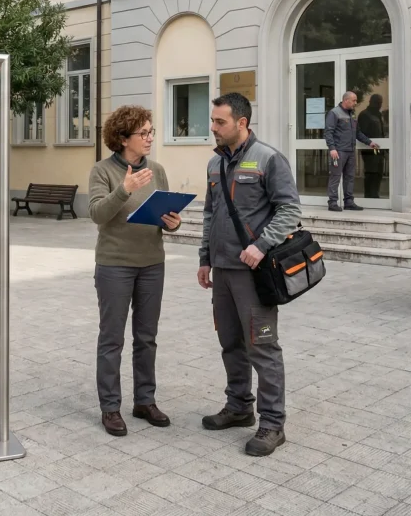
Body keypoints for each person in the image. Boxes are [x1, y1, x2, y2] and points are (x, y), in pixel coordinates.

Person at [197, 92, 301, 457]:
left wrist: (262, 244)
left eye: (219, 122)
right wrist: (205, 258)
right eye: (212, 121)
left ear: (241, 123)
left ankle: (272, 424)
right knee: (230, 343)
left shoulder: (269, 159)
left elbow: (289, 210)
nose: (213, 127)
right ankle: (239, 406)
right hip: (222, 272)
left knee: (263, 346)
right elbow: (210, 215)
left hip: (254, 273)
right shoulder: (214, 165)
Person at [88, 105, 182, 437]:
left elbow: (166, 211)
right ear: (123, 137)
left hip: (152, 262)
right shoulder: (103, 170)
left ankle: (145, 401)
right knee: (112, 339)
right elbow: (98, 213)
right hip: (115, 265)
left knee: (146, 337)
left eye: (151, 131)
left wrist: (174, 222)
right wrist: (124, 189)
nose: (150, 138)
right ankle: (110, 408)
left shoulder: (156, 169)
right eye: (144, 133)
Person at [324, 91, 379, 211]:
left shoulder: (352, 115)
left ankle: (348, 202)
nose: (355, 103)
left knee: (349, 177)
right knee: (335, 176)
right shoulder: (334, 113)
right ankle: (332, 203)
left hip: (350, 151)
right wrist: (332, 148)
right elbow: (328, 132)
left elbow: (357, 133)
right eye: (354, 100)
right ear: (346, 100)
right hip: (338, 151)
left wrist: (369, 142)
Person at [357, 94, 386, 200]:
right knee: (371, 172)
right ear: (371, 102)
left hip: (379, 150)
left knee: (378, 173)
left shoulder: (379, 115)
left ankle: (375, 194)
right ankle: (370, 196)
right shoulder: (365, 115)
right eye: (377, 102)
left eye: (380, 102)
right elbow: (361, 133)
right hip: (369, 150)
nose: (379, 104)